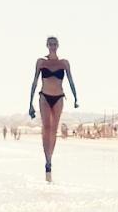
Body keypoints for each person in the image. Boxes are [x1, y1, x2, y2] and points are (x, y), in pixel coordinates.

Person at [27, 35, 79, 180]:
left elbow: (71, 81)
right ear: (47, 45)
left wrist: (76, 97)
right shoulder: (41, 62)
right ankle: (47, 160)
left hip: (59, 97)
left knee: (54, 129)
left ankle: (51, 157)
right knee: (46, 127)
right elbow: (34, 82)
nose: (52, 46)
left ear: (58, 45)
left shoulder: (64, 63)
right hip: (44, 96)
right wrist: (30, 103)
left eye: (54, 44)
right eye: (50, 44)